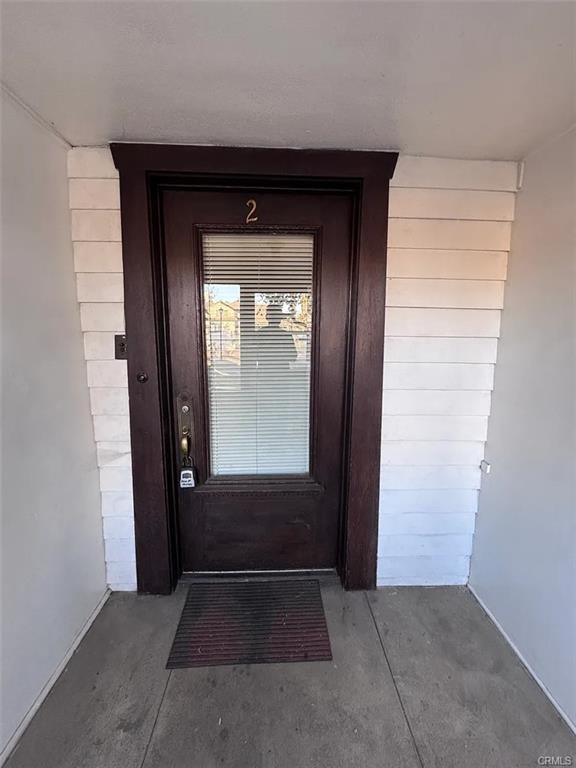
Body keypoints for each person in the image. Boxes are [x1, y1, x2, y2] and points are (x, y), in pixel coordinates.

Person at [257, 305, 297, 373]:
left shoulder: (259, 334)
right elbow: (293, 357)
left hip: (265, 373)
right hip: (281, 372)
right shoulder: (286, 335)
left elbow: (254, 356)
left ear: (267, 317)